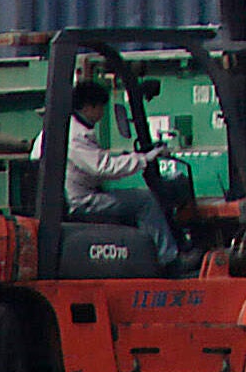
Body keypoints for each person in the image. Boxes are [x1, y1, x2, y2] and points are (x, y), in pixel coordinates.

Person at [50, 79, 186, 270]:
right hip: (83, 201)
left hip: (81, 194)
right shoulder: (75, 136)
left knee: (132, 196)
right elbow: (104, 168)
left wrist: (131, 157)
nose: (103, 113)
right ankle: (168, 259)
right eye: (101, 108)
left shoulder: (72, 128)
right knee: (144, 200)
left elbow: (96, 162)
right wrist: (144, 159)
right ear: (89, 107)